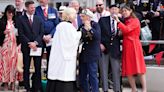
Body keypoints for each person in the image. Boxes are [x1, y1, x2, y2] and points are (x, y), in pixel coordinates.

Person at [46, 7, 82, 92]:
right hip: (64, 57)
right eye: (74, 15)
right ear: (69, 16)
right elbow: (72, 39)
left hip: (58, 56)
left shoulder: (60, 25)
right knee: (64, 74)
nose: (76, 17)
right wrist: (81, 33)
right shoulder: (68, 27)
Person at [113, 4, 147, 92]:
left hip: (134, 46)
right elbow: (123, 31)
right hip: (127, 46)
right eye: (122, 11)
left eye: (125, 11)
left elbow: (127, 30)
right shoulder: (125, 21)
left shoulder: (135, 20)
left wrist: (118, 22)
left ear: (130, 11)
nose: (124, 13)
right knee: (128, 69)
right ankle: (134, 89)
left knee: (139, 68)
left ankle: (144, 89)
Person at [18, 1, 44, 92]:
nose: (33, 9)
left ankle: (36, 87)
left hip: (37, 47)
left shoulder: (38, 18)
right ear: (26, 8)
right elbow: (21, 34)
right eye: (31, 7)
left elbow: (41, 32)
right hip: (26, 47)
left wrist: (36, 42)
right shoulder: (20, 19)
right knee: (26, 68)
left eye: (34, 7)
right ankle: (27, 87)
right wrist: (30, 43)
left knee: (37, 67)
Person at [98, 4, 121, 92]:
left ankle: (117, 89)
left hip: (115, 49)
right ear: (109, 10)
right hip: (104, 48)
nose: (114, 11)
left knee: (116, 71)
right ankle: (105, 89)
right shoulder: (103, 20)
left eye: (116, 9)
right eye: (112, 9)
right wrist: (100, 44)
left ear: (118, 11)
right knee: (103, 71)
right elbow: (98, 33)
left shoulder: (121, 21)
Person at [79, 9, 101, 92]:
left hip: (92, 54)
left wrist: (89, 29)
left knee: (93, 75)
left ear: (88, 17)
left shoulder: (95, 25)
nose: (81, 18)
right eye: (81, 16)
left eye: (83, 16)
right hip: (83, 54)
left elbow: (98, 36)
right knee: (83, 76)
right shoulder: (81, 26)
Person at [35, 0, 59, 73]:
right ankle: (37, 79)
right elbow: (35, 25)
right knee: (38, 60)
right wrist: (42, 36)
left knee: (51, 59)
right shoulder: (36, 10)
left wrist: (51, 35)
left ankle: (50, 77)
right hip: (40, 38)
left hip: (50, 39)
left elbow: (56, 25)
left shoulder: (53, 10)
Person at [0, 5, 17, 91]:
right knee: (5, 65)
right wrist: (3, 32)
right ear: (6, 12)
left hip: (14, 46)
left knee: (13, 64)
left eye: (12, 13)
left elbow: (19, 32)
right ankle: (5, 82)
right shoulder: (2, 21)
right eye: (9, 12)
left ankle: (12, 82)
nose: (10, 14)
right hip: (5, 46)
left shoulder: (15, 21)